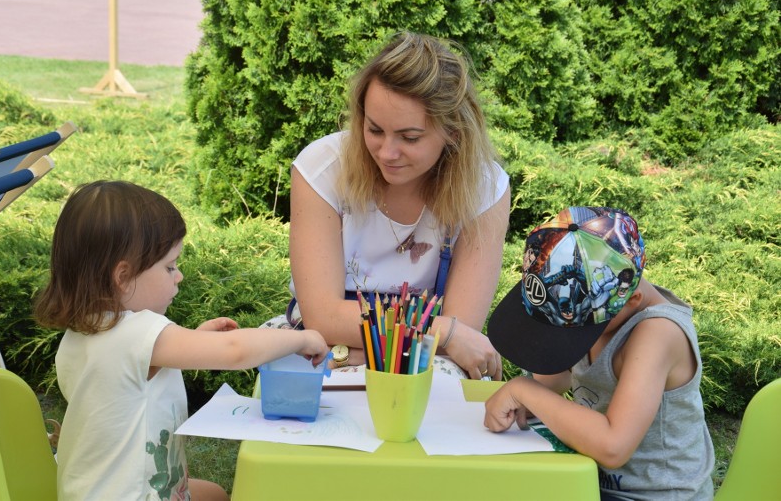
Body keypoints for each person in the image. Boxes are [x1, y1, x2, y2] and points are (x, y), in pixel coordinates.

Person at [34, 181, 329, 501]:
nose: (179, 276)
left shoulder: (84, 334)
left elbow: (131, 379)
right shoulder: (135, 334)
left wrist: (193, 342)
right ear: (122, 277)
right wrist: (301, 338)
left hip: (93, 492)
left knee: (214, 494)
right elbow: (234, 352)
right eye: (169, 266)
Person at [271, 31, 511, 380]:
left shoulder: (485, 188)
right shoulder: (321, 169)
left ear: (454, 132)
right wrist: (442, 332)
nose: (386, 152)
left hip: (399, 358)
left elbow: (466, 327)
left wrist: (359, 351)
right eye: (374, 129)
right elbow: (321, 317)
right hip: (329, 347)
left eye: (410, 137)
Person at [485, 207, 714, 500]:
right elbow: (555, 375)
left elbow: (612, 446)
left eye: (574, 331)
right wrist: (526, 400)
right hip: (591, 482)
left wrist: (524, 391)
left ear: (632, 301)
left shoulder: (658, 334)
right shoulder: (599, 313)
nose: (568, 339)